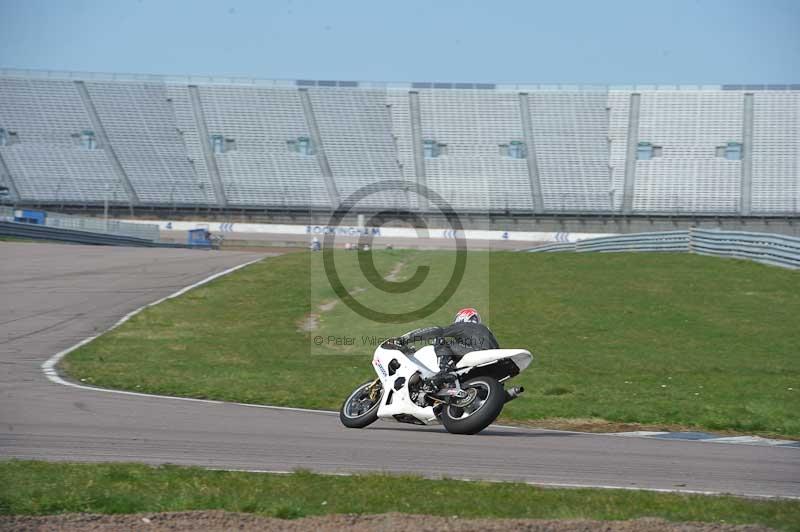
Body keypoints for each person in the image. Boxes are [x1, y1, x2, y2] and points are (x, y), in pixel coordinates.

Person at [395, 308, 499, 388]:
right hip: (493, 362)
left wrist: (406, 339)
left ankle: (444, 371)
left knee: (440, 340)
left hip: (475, 353)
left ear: (462, 318)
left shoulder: (463, 325)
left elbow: (436, 331)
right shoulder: (487, 331)